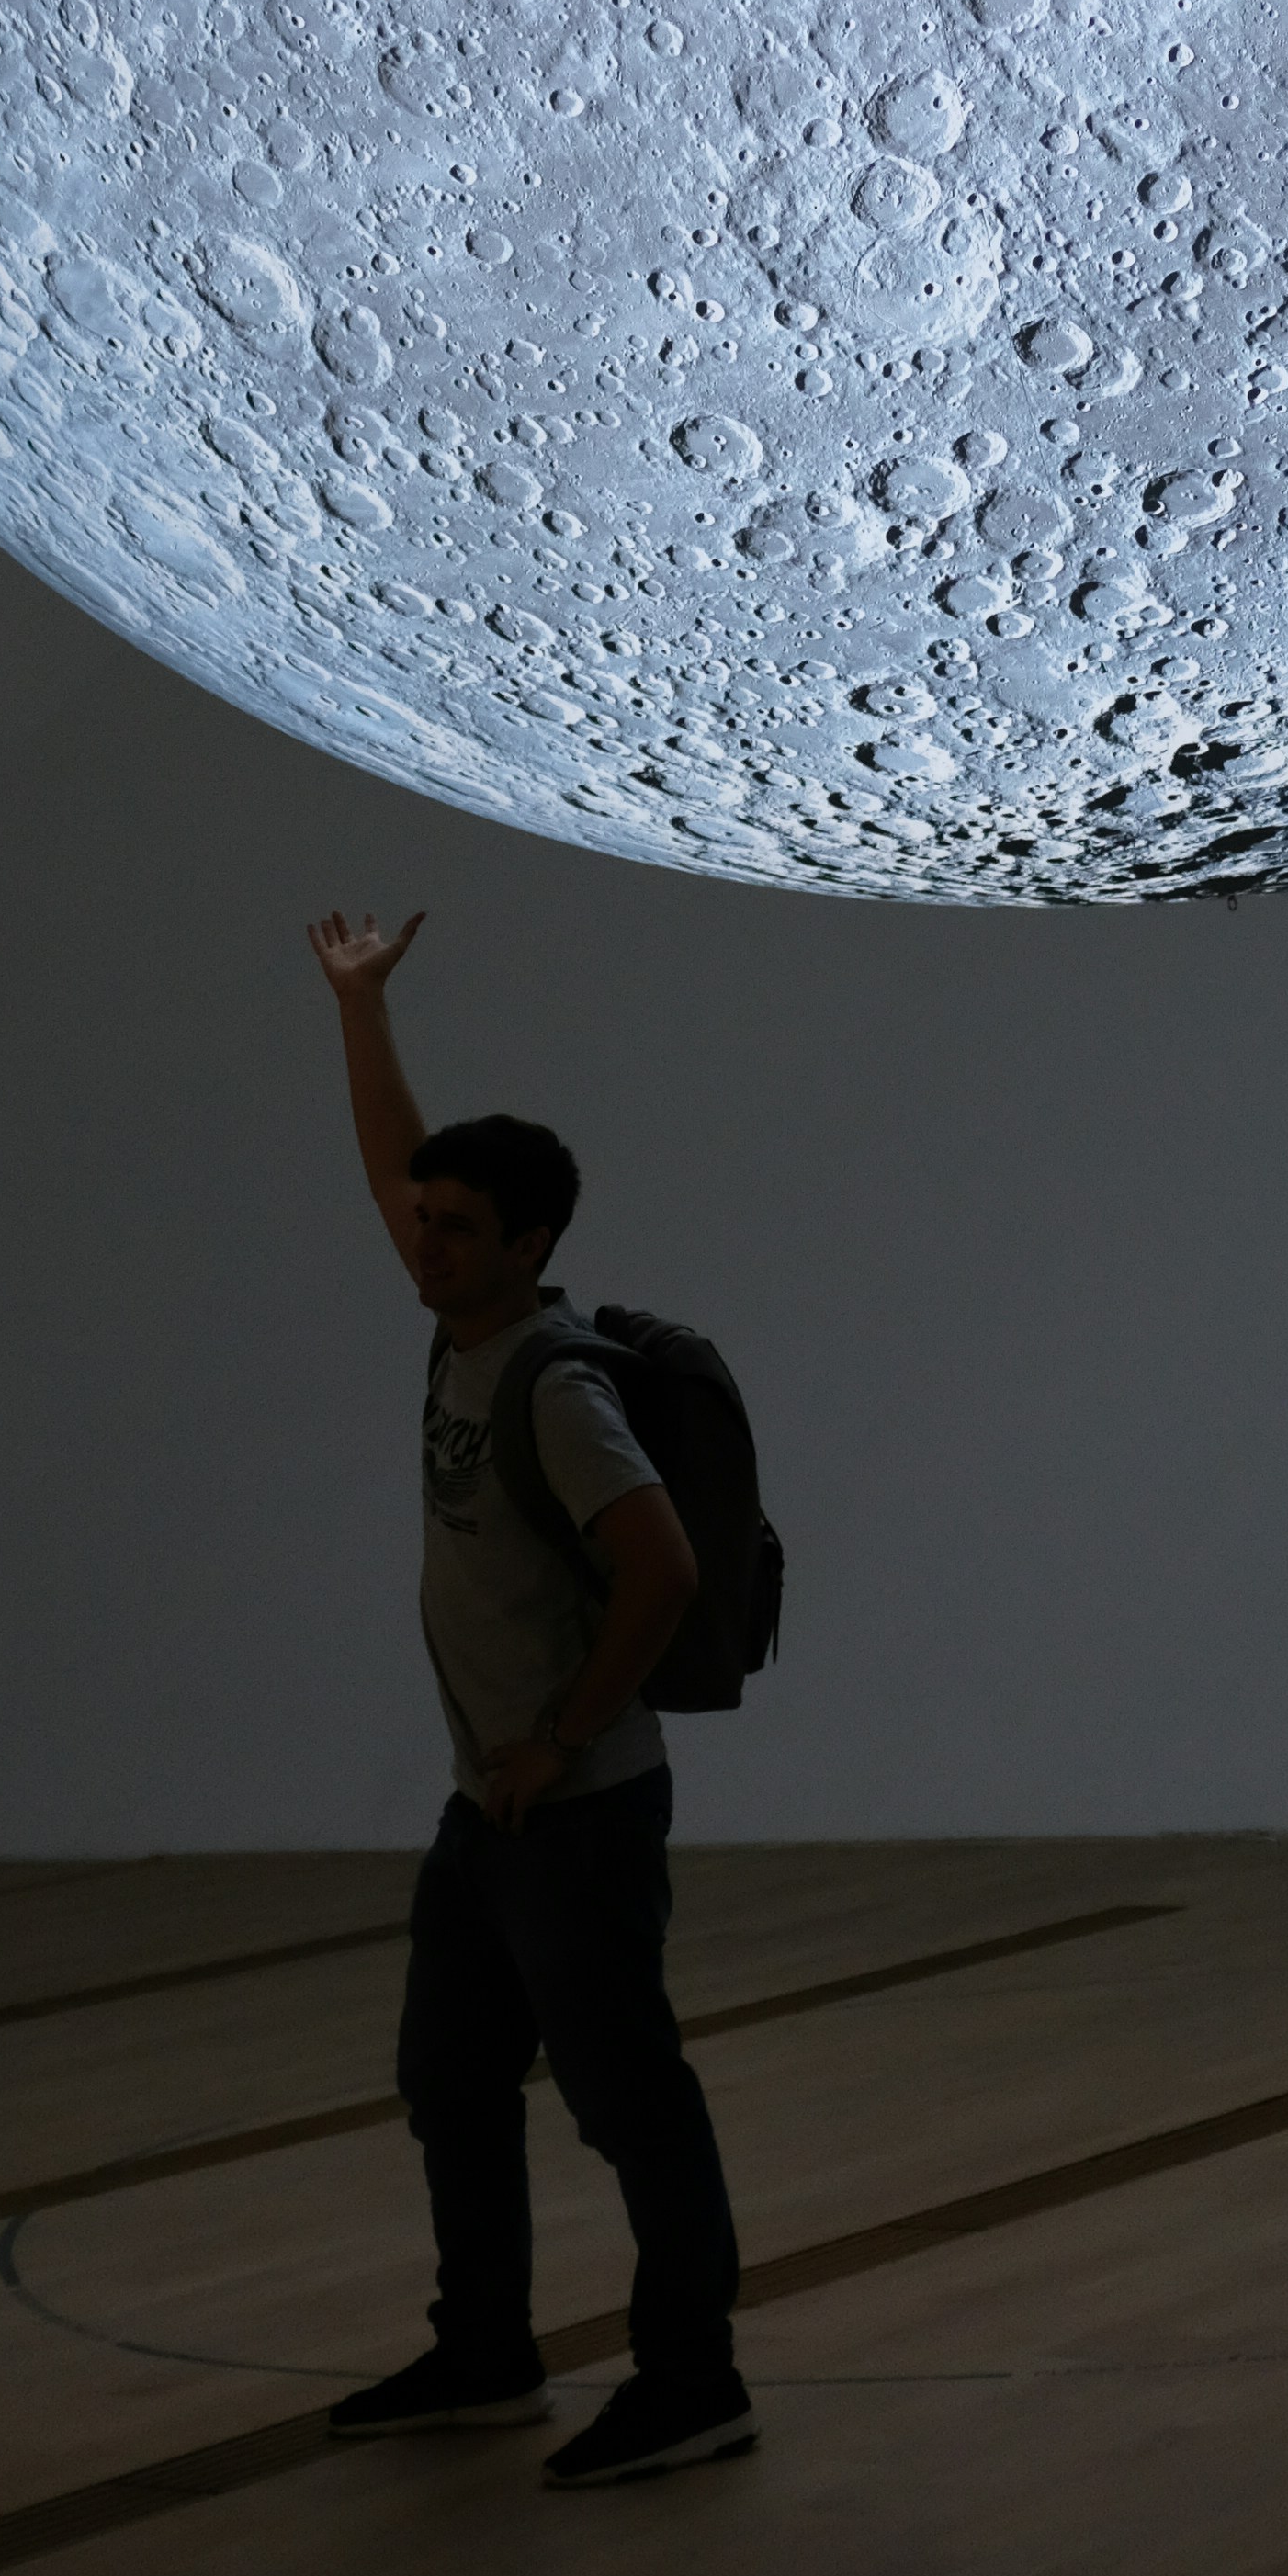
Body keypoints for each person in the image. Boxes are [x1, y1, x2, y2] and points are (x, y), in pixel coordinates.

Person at [303, 905, 754, 2489]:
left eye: (456, 1229)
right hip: (488, 1811)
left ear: (531, 1246)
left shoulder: (555, 1390)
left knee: (629, 2103)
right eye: (423, 1222)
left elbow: (664, 1570)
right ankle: (487, 2354)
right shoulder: (461, 1325)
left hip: (575, 1812)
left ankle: (694, 2381)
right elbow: (393, 1161)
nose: (421, 1242)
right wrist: (360, 1007)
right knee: (451, 2080)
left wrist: (559, 1739)